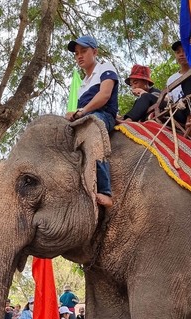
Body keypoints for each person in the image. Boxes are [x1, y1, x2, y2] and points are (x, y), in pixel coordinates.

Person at [64, 35, 119, 208]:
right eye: (76, 53)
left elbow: (104, 95)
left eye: (84, 51)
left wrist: (82, 111)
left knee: (92, 128)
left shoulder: (105, 68)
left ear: (94, 52)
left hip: (102, 116)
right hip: (85, 116)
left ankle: (105, 190)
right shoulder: (83, 84)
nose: (79, 56)